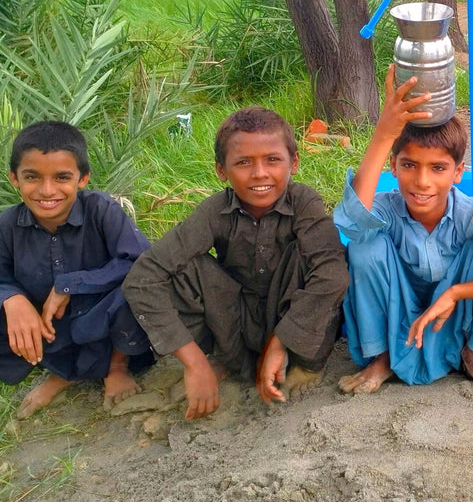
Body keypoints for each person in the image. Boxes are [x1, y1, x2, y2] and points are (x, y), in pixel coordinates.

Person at [334, 66, 473, 397]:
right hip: (397, 314)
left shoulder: (471, 214)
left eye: (438, 168)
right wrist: (383, 135)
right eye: (409, 165)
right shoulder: (387, 207)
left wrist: (455, 293)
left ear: (458, 172)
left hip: (454, 319)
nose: (422, 182)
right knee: (364, 246)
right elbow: (351, 224)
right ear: (393, 166)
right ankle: (383, 357)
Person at [122, 107, 348, 419]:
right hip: (236, 325)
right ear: (221, 171)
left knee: (321, 261)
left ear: (293, 162)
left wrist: (280, 343)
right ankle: (225, 362)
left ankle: (307, 366)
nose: (259, 174)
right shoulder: (214, 212)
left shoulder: (304, 203)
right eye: (243, 163)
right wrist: (193, 361)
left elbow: (332, 274)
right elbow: (143, 277)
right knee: (181, 269)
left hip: (294, 326)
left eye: (272, 159)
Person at [0, 121, 152, 419]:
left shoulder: (101, 209)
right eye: (32, 176)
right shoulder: (7, 225)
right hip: (54, 328)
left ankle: (116, 367)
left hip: (105, 319)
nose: (47, 190)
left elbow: (140, 259)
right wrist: (11, 298)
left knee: (136, 287)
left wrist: (71, 284)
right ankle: (62, 373)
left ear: (82, 179)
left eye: (62, 177)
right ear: (14, 179)